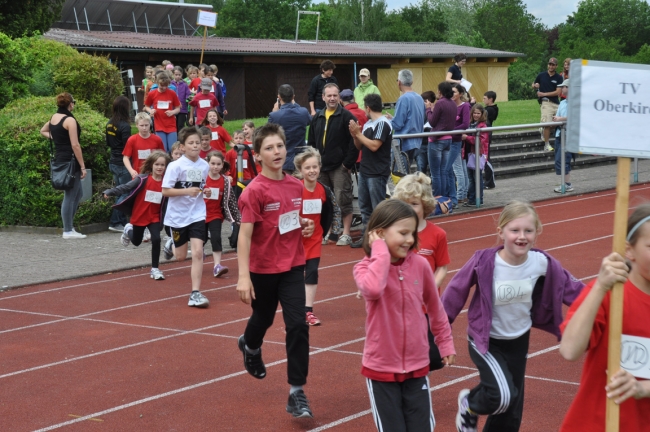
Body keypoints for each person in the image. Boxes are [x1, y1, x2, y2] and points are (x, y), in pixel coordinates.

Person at [442, 200, 584, 432]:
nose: (522, 236)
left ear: (537, 232)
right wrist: (439, 331)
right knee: (502, 395)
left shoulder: (541, 263)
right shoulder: (484, 261)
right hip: (486, 341)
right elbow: (454, 294)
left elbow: (571, 289)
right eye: (514, 230)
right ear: (501, 232)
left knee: (511, 410)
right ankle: (470, 404)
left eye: (528, 230)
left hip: (518, 340)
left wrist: (603, 296)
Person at [353, 199, 456, 432]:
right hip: (380, 368)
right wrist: (379, 251)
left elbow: (435, 308)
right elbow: (373, 289)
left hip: (417, 365)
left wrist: (445, 343)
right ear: (379, 233)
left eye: (412, 233)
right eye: (403, 233)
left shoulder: (420, 265)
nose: (410, 240)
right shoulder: (365, 267)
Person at [235, 123, 315, 418]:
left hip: (293, 264)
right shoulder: (254, 191)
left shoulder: (296, 185)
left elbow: (292, 219)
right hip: (263, 269)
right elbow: (244, 236)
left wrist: (303, 225)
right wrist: (243, 276)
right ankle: (250, 346)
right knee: (263, 317)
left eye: (279, 146)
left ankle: (297, 392)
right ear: (258, 156)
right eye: (269, 148)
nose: (276, 151)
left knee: (298, 325)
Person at [559, 204, 650, 432]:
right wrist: (600, 287)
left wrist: (643, 389)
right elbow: (569, 350)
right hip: (595, 423)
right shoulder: (611, 293)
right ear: (629, 250)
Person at [161, 126, 213, 308]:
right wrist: (186, 191)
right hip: (177, 217)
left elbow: (201, 187)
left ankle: (195, 293)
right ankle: (171, 243)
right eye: (191, 143)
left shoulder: (204, 165)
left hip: (197, 214)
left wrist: (204, 191)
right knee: (181, 257)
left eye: (198, 143)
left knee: (198, 252)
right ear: (182, 147)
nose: (195, 146)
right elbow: (165, 191)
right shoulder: (175, 166)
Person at [103, 150, 170, 280]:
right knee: (137, 242)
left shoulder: (167, 182)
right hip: (140, 215)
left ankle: (155, 269)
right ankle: (128, 230)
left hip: (155, 217)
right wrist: (110, 191)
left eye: (163, 165)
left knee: (156, 239)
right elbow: (125, 187)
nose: (160, 167)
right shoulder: (142, 179)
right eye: (157, 164)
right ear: (151, 165)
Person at [307, 83, 358, 246]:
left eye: (335, 95)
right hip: (321, 167)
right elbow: (312, 142)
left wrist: (347, 164)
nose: (332, 98)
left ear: (339, 97)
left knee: (342, 198)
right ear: (323, 97)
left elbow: (355, 142)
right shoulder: (317, 117)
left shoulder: (347, 116)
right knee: (324, 201)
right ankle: (328, 231)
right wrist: (314, 164)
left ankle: (346, 233)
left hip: (339, 166)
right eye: (329, 95)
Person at [294, 147, 340, 326]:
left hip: (314, 238)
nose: (312, 170)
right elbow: (285, 212)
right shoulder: (295, 189)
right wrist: (301, 222)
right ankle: (295, 307)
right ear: (300, 170)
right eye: (307, 168)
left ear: (320, 167)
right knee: (295, 275)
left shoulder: (324, 190)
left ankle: (308, 310)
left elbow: (335, 210)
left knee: (312, 272)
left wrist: (333, 232)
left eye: (315, 166)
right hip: (294, 240)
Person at [40, 93, 87, 239]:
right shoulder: (70, 120)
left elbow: (43, 131)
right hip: (70, 160)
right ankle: (67, 230)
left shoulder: (54, 117)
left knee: (78, 193)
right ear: (71, 104)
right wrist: (83, 166)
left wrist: (58, 139)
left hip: (61, 157)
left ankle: (70, 227)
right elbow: (75, 144)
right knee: (70, 194)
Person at [348, 94, 392, 249]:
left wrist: (359, 134)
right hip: (366, 170)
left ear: (368, 107)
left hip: (377, 172)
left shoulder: (383, 124)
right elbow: (360, 146)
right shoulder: (368, 124)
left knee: (377, 208)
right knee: (365, 207)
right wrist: (355, 136)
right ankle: (367, 237)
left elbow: (374, 146)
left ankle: (381, 238)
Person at [204, 150, 240, 278]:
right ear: (207, 163)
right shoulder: (202, 177)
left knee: (216, 238)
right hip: (200, 214)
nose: (215, 166)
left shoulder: (225, 181)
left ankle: (217, 265)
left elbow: (231, 200)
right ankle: (199, 252)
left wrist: (237, 218)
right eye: (212, 163)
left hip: (216, 215)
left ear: (222, 165)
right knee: (201, 239)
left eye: (218, 164)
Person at [388, 69, 425, 170]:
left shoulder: (403, 99)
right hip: (416, 141)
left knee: (400, 177)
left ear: (399, 82)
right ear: (412, 82)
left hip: (403, 144)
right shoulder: (419, 98)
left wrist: (388, 121)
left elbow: (397, 124)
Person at [268, 84, 311, 172]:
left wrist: (275, 112)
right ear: (293, 97)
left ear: (279, 97)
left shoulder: (274, 115)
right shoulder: (303, 112)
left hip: (284, 160)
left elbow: (267, 132)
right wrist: (296, 106)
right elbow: (309, 121)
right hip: (301, 159)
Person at [106, 95, 132, 233]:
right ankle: (115, 222)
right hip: (122, 163)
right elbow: (127, 146)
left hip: (113, 161)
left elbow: (108, 143)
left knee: (118, 191)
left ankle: (121, 222)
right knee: (125, 192)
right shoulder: (125, 126)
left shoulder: (109, 123)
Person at [427, 82, 457, 199]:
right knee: (443, 171)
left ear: (440, 91)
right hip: (448, 139)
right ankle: (443, 198)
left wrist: (429, 110)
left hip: (437, 139)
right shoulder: (453, 103)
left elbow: (432, 122)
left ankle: (437, 199)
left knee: (435, 173)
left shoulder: (440, 103)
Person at [144, 72, 181, 153]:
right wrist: (151, 111)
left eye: (166, 85)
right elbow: (146, 106)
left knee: (173, 149)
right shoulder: (152, 93)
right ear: (157, 83)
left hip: (171, 125)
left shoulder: (172, 93)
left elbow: (178, 108)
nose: (164, 87)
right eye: (161, 86)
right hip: (159, 125)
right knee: (162, 149)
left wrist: (172, 112)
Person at [532, 57, 563, 152]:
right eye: (550, 64)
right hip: (546, 102)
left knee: (557, 124)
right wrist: (535, 86)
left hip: (556, 103)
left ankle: (542, 128)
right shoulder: (541, 75)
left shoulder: (558, 77)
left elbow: (558, 92)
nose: (551, 66)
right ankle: (546, 145)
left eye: (553, 65)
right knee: (548, 124)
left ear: (556, 66)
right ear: (547, 65)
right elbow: (534, 84)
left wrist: (544, 93)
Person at [462, 104, 490, 207]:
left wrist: (466, 138)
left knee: (476, 177)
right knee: (471, 178)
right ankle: (472, 199)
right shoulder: (470, 123)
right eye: (474, 113)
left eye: (478, 113)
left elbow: (480, 141)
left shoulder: (483, 126)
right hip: (469, 153)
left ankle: (479, 199)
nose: (476, 115)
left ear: (482, 114)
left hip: (478, 154)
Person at [123, 112, 165, 179]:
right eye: (142, 125)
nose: (144, 128)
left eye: (146, 125)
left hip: (154, 175)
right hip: (138, 175)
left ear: (150, 124)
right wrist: (131, 171)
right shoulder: (132, 140)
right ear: (136, 125)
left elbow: (163, 156)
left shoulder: (157, 139)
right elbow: (125, 158)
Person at [449, 84, 471, 208]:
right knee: (459, 168)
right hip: (451, 139)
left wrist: (451, 130)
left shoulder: (465, 106)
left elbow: (465, 124)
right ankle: (462, 193)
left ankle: (460, 195)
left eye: (454, 92)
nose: (452, 94)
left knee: (458, 168)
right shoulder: (451, 106)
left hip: (456, 140)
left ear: (460, 94)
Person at [552, 80, 574, 193]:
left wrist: (560, 119)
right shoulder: (562, 103)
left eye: (564, 87)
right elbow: (558, 116)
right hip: (559, 134)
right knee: (559, 160)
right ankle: (565, 183)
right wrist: (556, 119)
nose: (562, 89)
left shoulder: (575, 103)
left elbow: (574, 116)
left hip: (568, 135)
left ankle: (566, 184)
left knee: (563, 160)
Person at [482, 91, 499, 189]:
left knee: (486, 159)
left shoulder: (491, 110)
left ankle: (490, 182)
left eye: (485, 98)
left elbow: (481, 116)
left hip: (486, 135)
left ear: (490, 99)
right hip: (486, 134)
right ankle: (488, 182)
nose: (483, 100)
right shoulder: (489, 109)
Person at [418, 91, 436, 174]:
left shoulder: (434, 111)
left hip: (431, 143)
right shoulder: (419, 112)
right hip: (421, 143)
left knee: (433, 169)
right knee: (421, 167)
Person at [172, 66, 191, 131]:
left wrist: (188, 98)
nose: (178, 76)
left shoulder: (184, 84)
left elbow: (188, 94)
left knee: (180, 125)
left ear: (182, 75)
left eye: (179, 75)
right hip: (172, 108)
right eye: (176, 75)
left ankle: (180, 139)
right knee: (173, 125)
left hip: (182, 109)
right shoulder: (170, 84)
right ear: (173, 74)